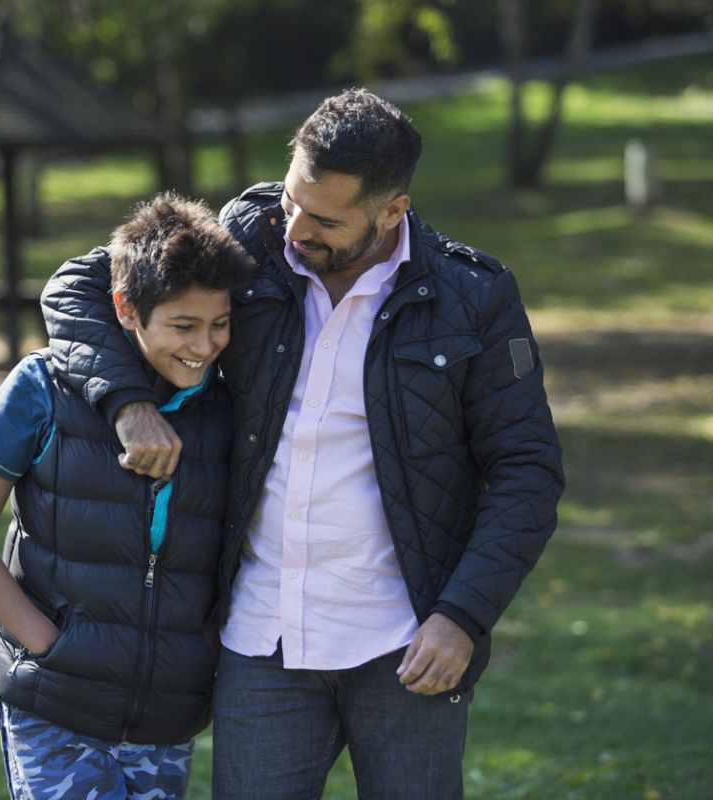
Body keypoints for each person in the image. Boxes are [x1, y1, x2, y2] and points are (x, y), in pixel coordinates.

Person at [40, 89, 565, 799]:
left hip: (407, 645)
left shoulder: (475, 297)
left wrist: (462, 616)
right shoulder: (250, 235)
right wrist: (128, 405)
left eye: (324, 219)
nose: (294, 228)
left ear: (392, 212)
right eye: (292, 199)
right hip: (260, 641)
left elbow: (526, 470)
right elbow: (78, 285)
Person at [0, 192, 254, 800]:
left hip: (167, 719)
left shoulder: (229, 410)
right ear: (126, 310)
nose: (205, 345)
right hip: (55, 706)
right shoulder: (42, 386)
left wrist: (199, 652)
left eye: (219, 325)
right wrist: (49, 644)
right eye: (183, 326)